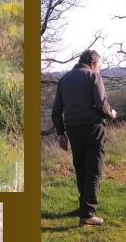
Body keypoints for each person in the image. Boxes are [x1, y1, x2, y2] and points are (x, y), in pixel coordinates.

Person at [51, 50, 118, 226]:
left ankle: (83, 206)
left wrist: (60, 132)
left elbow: (56, 110)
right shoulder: (93, 76)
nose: (100, 69)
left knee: (81, 168)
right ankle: (88, 214)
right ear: (93, 62)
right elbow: (101, 103)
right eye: (100, 66)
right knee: (94, 169)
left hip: (73, 129)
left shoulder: (64, 79)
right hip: (92, 127)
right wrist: (111, 113)